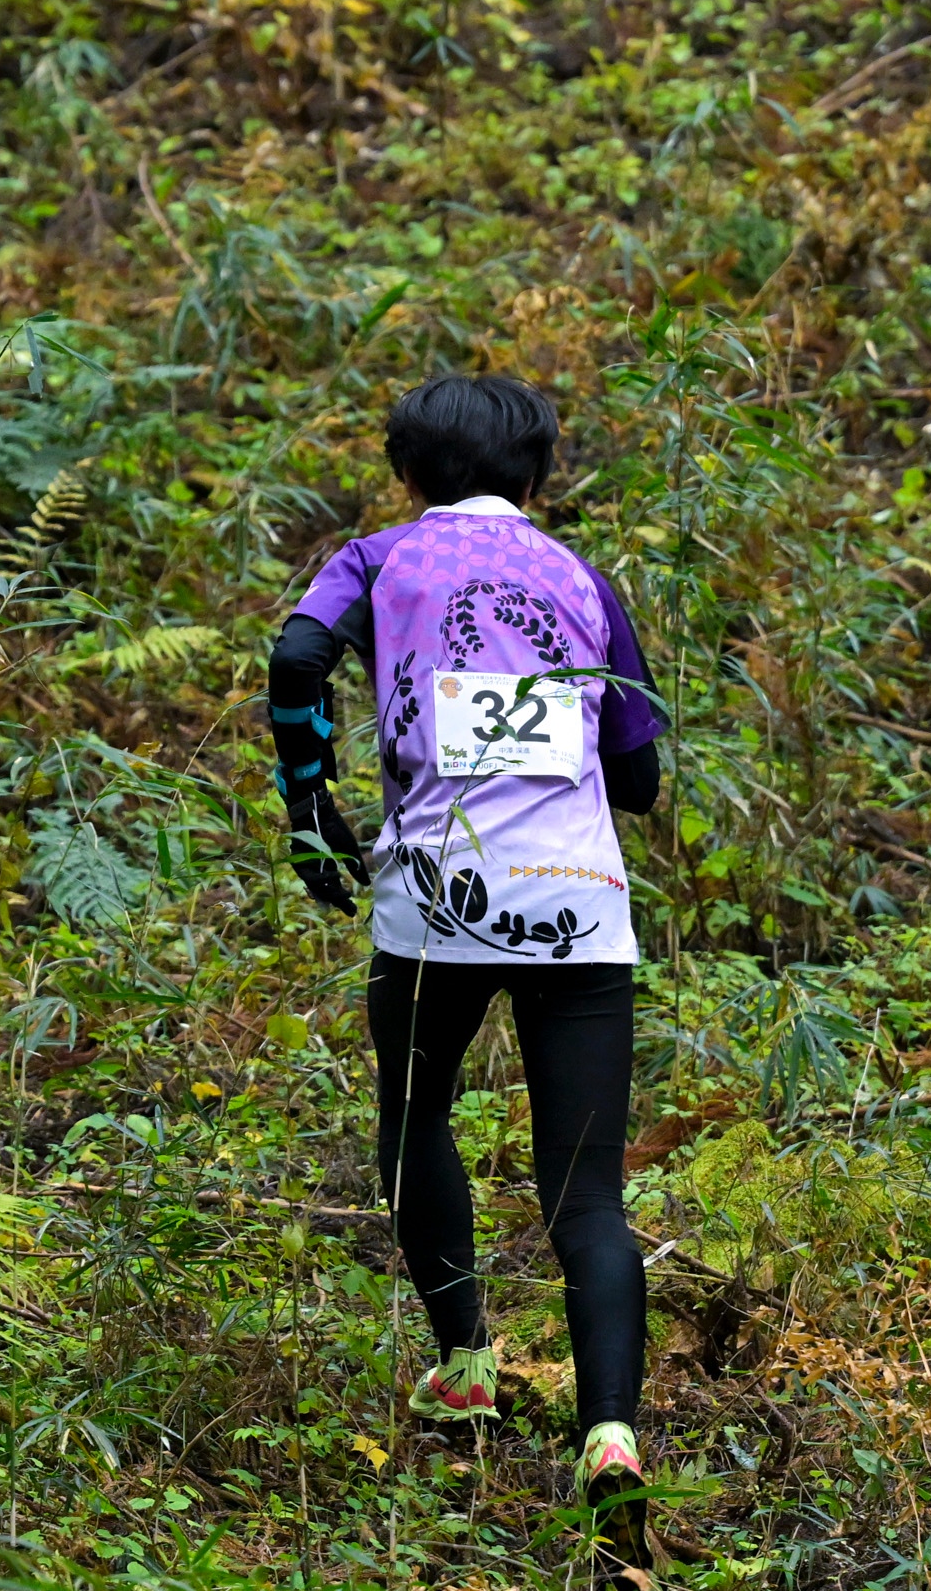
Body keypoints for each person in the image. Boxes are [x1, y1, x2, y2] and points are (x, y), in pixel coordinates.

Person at [266, 374, 665, 1580]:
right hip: (579, 903)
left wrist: (310, 809)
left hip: (436, 901)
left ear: (405, 473)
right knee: (588, 1198)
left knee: (414, 1115)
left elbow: (297, 653)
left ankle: (467, 1364)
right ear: (537, 474)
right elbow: (639, 769)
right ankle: (610, 1434)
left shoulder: (377, 558)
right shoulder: (581, 577)